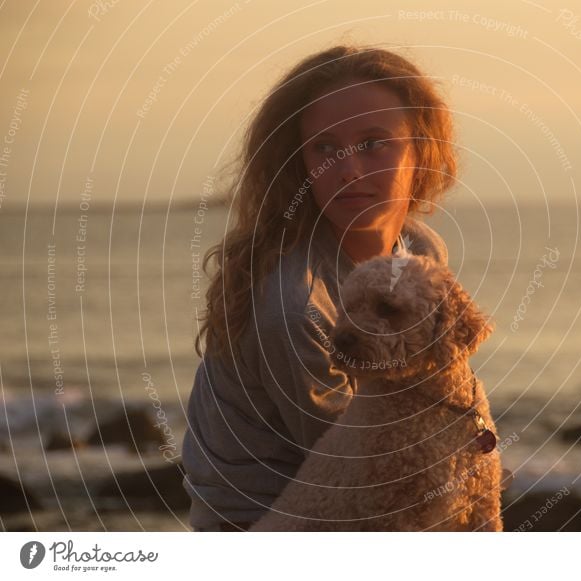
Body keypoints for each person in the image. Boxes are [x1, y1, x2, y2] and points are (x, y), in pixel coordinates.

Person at [181, 44, 458, 531]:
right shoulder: (293, 307)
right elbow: (364, 465)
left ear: (423, 149)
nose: (349, 169)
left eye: (374, 142)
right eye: (325, 148)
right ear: (300, 164)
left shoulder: (417, 249)